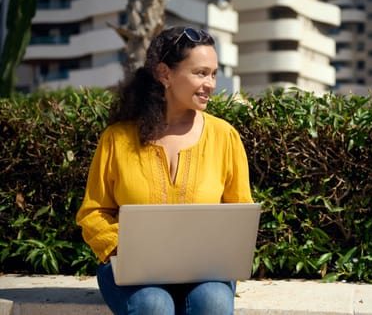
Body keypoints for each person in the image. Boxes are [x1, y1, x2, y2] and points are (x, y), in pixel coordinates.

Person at [76, 26, 253, 315]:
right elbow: (93, 211)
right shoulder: (117, 139)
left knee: (214, 301)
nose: (210, 83)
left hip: (205, 272)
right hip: (134, 274)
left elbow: (240, 212)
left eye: (213, 73)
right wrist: (121, 248)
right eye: (200, 73)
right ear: (164, 74)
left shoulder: (225, 137)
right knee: (153, 304)